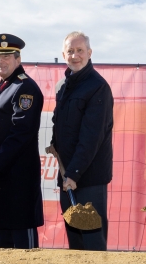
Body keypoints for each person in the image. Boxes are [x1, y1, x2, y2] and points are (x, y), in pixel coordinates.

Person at [48, 31, 114, 251]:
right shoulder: (63, 86)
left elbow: (91, 137)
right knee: (75, 241)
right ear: (63, 54)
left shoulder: (98, 86)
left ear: (90, 53)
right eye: (70, 51)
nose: (75, 56)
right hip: (68, 177)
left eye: (80, 51)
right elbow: (61, 127)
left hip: (88, 178)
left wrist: (74, 174)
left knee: (92, 243)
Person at [0, 34, 44, 249]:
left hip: (19, 180)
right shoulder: (6, 87)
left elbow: (21, 133)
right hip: (2, 178)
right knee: (1, 245)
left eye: (6, 57)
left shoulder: (25, 88)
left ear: (18, 59)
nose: (1, 61)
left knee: (23, 252)